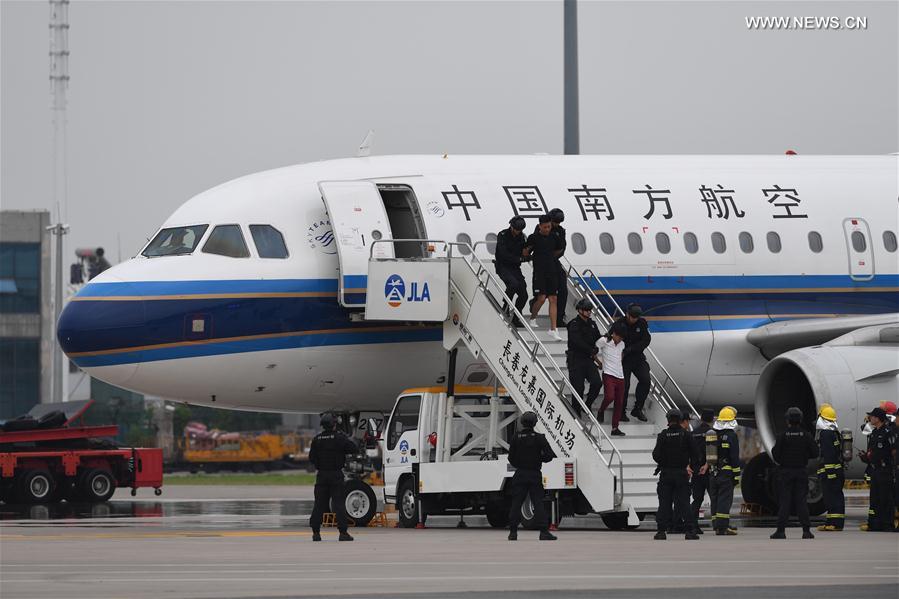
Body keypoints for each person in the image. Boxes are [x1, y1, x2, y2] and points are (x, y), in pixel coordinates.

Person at [507, 411, 557, 541]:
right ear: (535, 423)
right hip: (534, 473)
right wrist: (539, 459)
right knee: (538, 502)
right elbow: (549, 455)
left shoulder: (516, 437)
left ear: (522, 422)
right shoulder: (540, 438)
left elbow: (511, 458)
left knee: (516, 503)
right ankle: (544, 532)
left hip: (520, 473)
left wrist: (520, 464)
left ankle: (513, 532)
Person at [652, 409, 701, 540]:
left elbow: (656, 455)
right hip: (681, 474)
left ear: (668, 420)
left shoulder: (663, 435)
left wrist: (664, 462)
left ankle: (661, 531)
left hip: (666, 474)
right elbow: (696, 454)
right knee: (684, 502)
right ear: (680, 420)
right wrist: (692, 468)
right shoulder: (686, 435)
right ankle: (690, 531)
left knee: (664, 503)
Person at [770, 407, 819, 539]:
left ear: (787, 420)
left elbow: (775, 454)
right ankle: (806, 531)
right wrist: (804, 456)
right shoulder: (806, 435)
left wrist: (784, 460)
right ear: (800, 420)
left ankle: (780, 531)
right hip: (801, 471)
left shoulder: (782, 436)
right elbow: (815, 453)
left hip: (786, 472)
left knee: (785, 502)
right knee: (801, 502)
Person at [308, 413, 358, 542]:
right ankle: (343, 533)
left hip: (322, 475)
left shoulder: (317, 439)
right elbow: (353, 448)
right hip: (336, 475)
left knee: (319, 504)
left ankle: (316, 533)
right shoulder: (339, 438)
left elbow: (311, 458)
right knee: (338, 504)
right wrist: (347, 438)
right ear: (334, 424)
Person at [525, 215, 563, 340]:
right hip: (539, 272)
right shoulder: (533, 238)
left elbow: (559, 249)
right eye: (545, 227)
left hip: (552, 271)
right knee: (541, 298)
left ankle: (553, 329)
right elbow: (526, 251)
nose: (547, 229)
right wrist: (536, 257)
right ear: (540, 226)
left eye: (549, 227)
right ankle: (533, 318)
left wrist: (549, 257)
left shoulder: (554, 237)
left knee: (553, 299)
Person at [858, 407, 896, 532]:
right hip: (875, 470)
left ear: (878, 418)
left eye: (872, 416)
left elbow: (893, 451)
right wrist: (865, 457)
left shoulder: (888, 432)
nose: (870, 418)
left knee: (886, 498)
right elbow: (871, 452)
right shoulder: (874, 433)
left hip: (885, 470)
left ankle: (887, 524)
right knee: (875, 498)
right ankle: (874, 523)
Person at [566, 298, 602, 418]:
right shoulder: (574, 324)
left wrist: (599, 345)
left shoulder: (592, 324)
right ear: (580, 310)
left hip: (588, 359)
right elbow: (576, 341)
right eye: (586, 310)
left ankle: (587, 405)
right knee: (578, 389)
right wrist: (591, 350)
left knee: (597, 383)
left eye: (590, 310)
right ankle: (576, 414)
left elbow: (598, 338)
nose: (589, 312)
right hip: (576, 359)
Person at [708, 406, 741, 535]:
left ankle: (716, 525)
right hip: (726, 473)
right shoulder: (731, 436)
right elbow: (734, 457)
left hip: (713, 472)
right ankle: (723, 527)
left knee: (715, 499)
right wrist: (736, 475)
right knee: (724, 500)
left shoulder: (713, 434)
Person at [616, 303, 652, 422]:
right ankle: (621, 411)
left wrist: (631, 349)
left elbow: (646, 340)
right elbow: (612, 337)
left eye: (636, 317)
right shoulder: (620, 323)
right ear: (627, 314)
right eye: (632, 317)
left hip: (637, 357)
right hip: (624, 359)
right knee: (625, 386)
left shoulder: (641, 323)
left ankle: (638, 408)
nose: (634, 320)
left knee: (646, 380)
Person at [815, 404, 846, 531]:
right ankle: (830, 522)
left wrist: (830, 474)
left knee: (833, 497)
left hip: (831, 472)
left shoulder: (825, 434)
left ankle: (836, 524)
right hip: (835, 470)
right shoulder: (833, 432)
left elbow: (828, 455)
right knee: (831, 498)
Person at [494, 217, 530, 326]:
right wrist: (519, 259)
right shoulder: (503, 235)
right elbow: (503, 254)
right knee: (513, 284)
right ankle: (505, 307)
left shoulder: (522, 237)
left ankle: (516, 318)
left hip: (515, 268)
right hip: (503, 266)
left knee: (524, 294)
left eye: (520, 230)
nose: (518, 232)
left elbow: (524, 251)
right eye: (516, 229)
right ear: (511, 226)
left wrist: (527, 255)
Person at [595, 322, 628, 436]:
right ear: (614, 333)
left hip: (620, 376)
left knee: (619, 403)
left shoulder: (622, 344)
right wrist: (599, 362)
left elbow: (621, 355)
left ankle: (615, 428)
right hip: (608, 374)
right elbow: (593, 350)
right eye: (619, 337)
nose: (620, 339)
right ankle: (601, 410)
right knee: (609, 397)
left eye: (622, 338)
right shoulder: (604, 341)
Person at [690, 409, 715, 528]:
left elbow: (689, 452)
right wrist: (707, 465)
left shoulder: (693, 433)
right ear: (712, 419)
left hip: (695, 470)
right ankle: (717, 524)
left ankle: (693, 525)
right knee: (714, 498)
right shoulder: (712, 433)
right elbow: (713, 452)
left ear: (701, 418)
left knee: (697, 499)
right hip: (709, 470)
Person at [548, 208, 568, 328]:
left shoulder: (560, 231)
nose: (556, 224)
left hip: (554, 262)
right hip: (543, 264)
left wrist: (553, 255)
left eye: (558, 222)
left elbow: (562, 249)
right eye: (555, 222)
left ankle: (559, 317)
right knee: (543, 293)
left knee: (563, 291)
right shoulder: (543, 228)